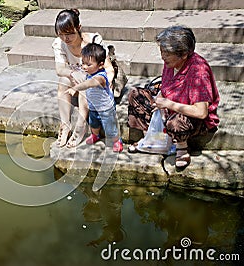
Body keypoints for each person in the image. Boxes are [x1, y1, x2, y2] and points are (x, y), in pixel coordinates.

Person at [127, 25, 220, 170]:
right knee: (136, 95)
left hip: (191, 118)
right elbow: (165, 86)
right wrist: (160, 99)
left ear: (183, 54)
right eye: (162, 52)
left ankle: (181, 147)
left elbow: (201, 112)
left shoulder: (198, 71)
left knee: (176, 123)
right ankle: (150, 139)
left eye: (166, 53)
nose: (163, 57)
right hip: (168, 106)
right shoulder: (170, 63)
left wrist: (169, 104)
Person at [52, 9, 115, 148]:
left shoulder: (93, 40)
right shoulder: (59, 44)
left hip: (97, 79)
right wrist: (73, 74)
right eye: (61, 34)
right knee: (63, 80)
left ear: (78, 28)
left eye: (69, 34)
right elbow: (60, 69)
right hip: (75, 78)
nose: (65, 38)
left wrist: (107, 82)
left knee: (85, 84)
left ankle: (80, 126)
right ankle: (65, 125)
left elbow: (108, 68)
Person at [66, 43, 123, 152]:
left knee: (110, 127)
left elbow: (89, 83)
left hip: (106, 108)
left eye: (88, 64)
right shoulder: (89, 72)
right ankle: (95, 135)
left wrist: (76, 88)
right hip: (93, 107)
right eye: (83, 63)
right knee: (94, 124)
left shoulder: (101, 77)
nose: (84, 67)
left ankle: (117, 140)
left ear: (101, 65)